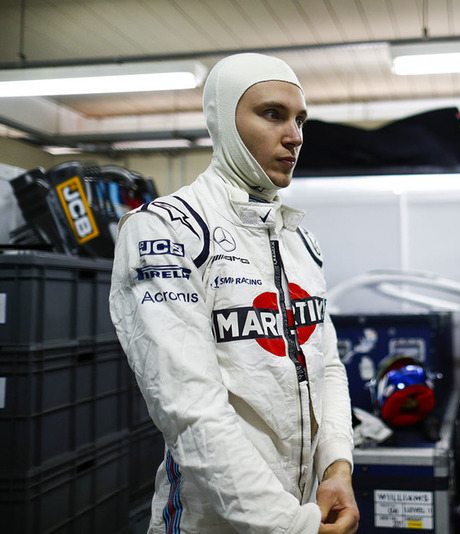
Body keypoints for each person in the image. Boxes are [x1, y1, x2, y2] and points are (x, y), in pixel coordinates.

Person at [109, 53, 359, 534]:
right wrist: (290, 525)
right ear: (223, 120)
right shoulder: (164, 230)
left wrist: (338, 466)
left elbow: (327, 363)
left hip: (307, 511)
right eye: (272, 115)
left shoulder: (298, 237)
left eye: (300, 119)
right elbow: (189, 407)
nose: (295, 136)